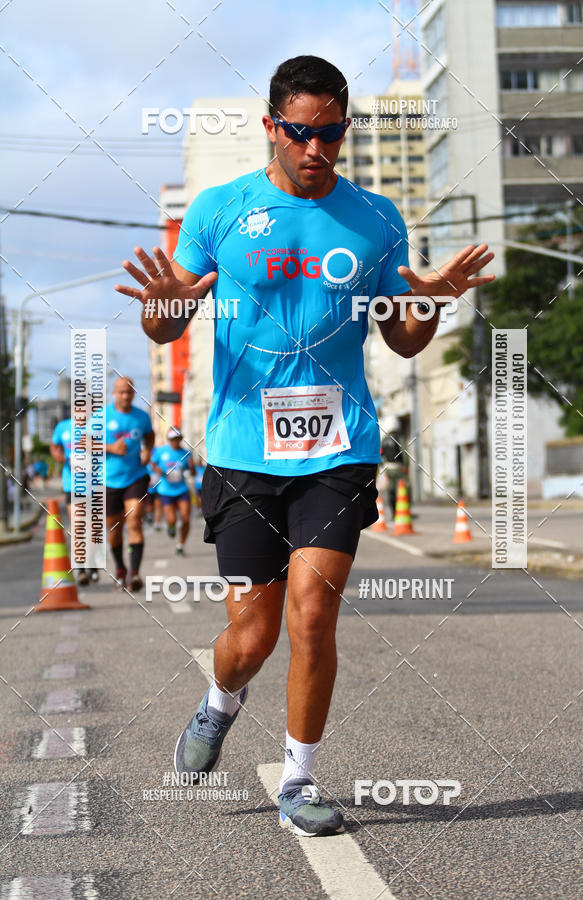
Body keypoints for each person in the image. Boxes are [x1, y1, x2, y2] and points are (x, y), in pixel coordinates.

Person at [115, 55, 494, 836]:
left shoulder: (378, 218)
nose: (315, 149)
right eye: (299, 133)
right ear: (271, 128)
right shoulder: (221, 210)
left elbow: (405, 337)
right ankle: (220, 703)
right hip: (242, 451)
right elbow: (168, 319)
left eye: (329, 134)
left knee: (313, 617)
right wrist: (160, 306)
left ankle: (299, 780)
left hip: (339, 447)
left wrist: (433, 303)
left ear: (343, 130)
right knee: (251, 639)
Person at [96, 376, 154, 591]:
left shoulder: (142, 416)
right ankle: (120, 569)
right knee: (114, 529)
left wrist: (148, 450)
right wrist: (111, 448)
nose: (125, 396)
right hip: (108, 480)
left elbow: (150, 435)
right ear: (114, 393)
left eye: (129, 392)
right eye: (121, 392)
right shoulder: (101, 415)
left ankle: (136, 574)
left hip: (135, 477)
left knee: (134, 522)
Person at [50, 418, 99, 585]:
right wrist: (58, 455)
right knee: (78, 525)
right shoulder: (63, 426)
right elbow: (54, 446)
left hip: (95, 484)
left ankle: (91, 562)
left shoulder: (97, 425)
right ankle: (80, 568)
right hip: (72, 483)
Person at [150, 427, 195, 554]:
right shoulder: (161, 451)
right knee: (172, 519)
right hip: (166, 490)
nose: (175, 442)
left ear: (180, 439)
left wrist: (191, 466)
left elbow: (193, 472)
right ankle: (171, 525)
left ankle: (181, 544)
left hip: (182, 489)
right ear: (169, 440)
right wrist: (157, 470)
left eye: (177, 439)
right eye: (172, 439)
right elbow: (152, 463)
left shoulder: (186, 453)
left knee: (186, 518)